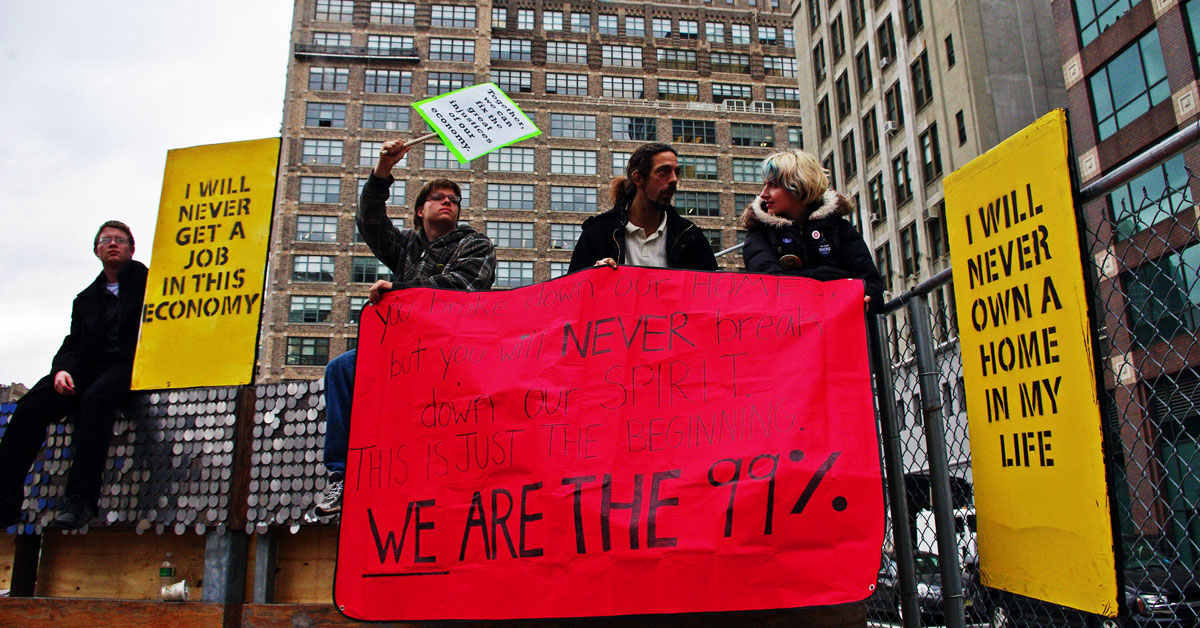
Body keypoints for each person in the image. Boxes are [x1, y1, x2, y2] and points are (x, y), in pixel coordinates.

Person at [310, 138, 496, 519]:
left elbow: (464, 287)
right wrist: (383, 170)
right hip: (399, 352)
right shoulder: (405, 246)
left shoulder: (474, 244)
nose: (448, 202)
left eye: (454, 200)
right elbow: (369, 221)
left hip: (451, 356)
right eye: (438, 197)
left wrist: (401, 291)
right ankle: (341, 475)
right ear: (419, 210)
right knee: (342, 368)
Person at [0, 221, 148, 531]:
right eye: (106, 239)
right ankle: (5, 503)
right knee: (29, 407)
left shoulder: (149, 283)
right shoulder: (85, 299)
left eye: (120, 240)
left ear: (131, 249)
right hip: (87, 368)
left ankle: (80, 501)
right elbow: (73, 342)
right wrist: (62, 370)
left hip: (128, 365)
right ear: (96, 249)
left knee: (96, 400)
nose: (112, 244)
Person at [741, 150, 884, 312]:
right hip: (789, 330)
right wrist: (837, 285)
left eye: (773, 185)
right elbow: (771, 286)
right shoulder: (759, 234)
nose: (763, 194)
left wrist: (866, 298)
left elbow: (870, 283)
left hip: (841, 331)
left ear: (799, 188)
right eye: (765, 185)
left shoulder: (839, 229)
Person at [568, 142, 718, 272]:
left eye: (676, 172)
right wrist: (593, 276)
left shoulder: (690, 236)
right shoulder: (598, 233)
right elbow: (572, 294)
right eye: (663, 172)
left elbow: (711, 296)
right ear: (638, 178)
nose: (674, 179)